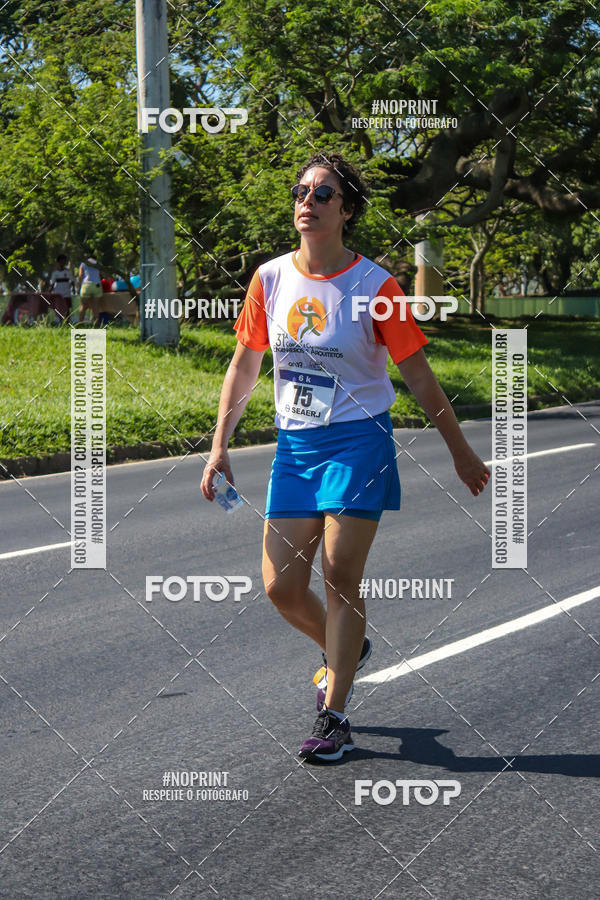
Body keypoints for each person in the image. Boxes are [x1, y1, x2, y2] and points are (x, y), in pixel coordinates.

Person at [200, 151, 490, 763]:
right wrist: (220, 445)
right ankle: (345, 650)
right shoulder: (270, 279)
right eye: (301, 191)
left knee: (339, 573)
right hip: (296, 446)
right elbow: (246, 363)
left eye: (322, 194)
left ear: (347, 210)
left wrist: (460, 451)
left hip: (359, 442)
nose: (307, 201)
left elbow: (417, 374)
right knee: (280, 586)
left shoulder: (376, 286)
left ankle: (333, 716)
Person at [48, 254, 75, 324]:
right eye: (61, 261)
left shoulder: (68, 271)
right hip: (58, 293)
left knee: (67, 307)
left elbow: (72, 281)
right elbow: (52, 284)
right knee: (59, 307)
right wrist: (49, 292)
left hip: (67, 292)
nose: (63, 262)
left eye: (64, 261)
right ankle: (60, 322)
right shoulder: (55, 273)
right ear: (58, 262)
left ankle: (67, 322)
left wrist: (74, 289)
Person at [76, 255, 103, 324]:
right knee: (96, 306)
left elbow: (80, 275)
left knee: (83, 306)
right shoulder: (99, 263)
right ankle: (96, 324)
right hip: (97, 285)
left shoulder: (83, 263)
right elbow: (102, 274)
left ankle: (80, 323)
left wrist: (78, 286)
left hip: (86, 285)